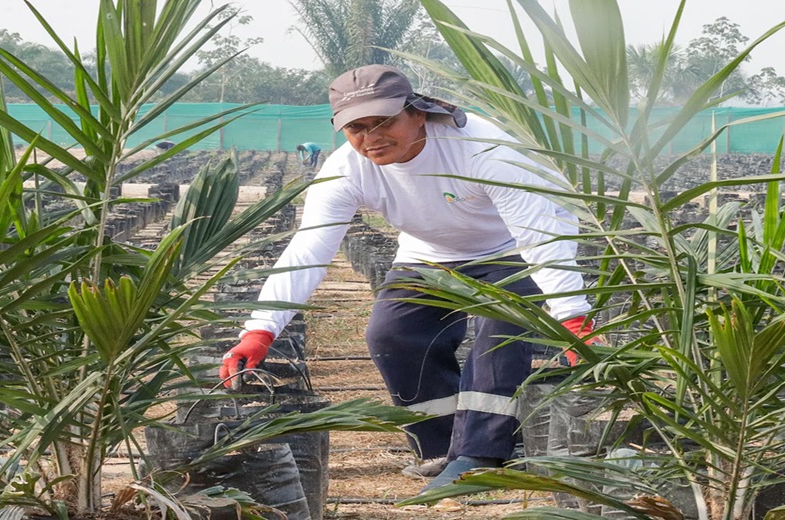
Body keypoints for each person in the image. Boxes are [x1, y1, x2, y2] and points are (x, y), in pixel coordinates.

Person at [219, 64, 599, 494]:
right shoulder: (346, 169)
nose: (371, 138)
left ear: (417, 113)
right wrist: (261, 329)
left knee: (499, 333)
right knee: (392, 335)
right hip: (429, 253)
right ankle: (440, 447)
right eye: (356, 128)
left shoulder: (482, 150)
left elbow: (539, 234)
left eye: (383, 123)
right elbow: (308, 250)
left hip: (512, 249)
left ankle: (482, 456)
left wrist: (572, 316)